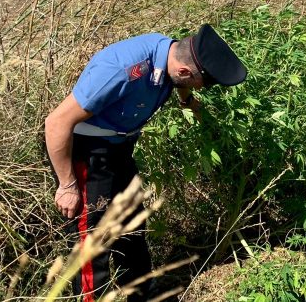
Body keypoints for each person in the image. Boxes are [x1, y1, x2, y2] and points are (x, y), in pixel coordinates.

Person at [45, 24, 246, 302]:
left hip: (120, 149)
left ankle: (140, 296)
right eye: (202, 83)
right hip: (86, 154)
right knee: (92, 241)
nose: (202, 89)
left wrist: (188, 100)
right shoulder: (121, 70)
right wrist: (67, 185)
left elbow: (176, 81)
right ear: (185, 73)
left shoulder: (170, 56)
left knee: (132, 230)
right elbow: (56, 123)